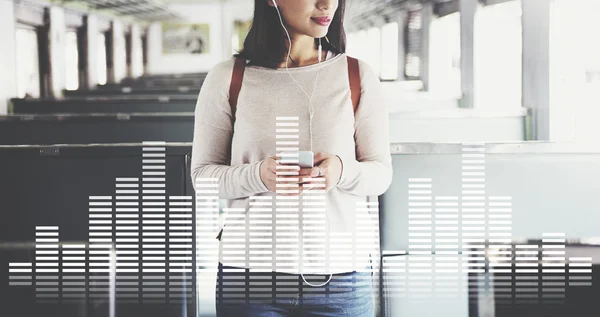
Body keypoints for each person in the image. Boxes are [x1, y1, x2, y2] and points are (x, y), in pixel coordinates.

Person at [190, 0, 392, 316]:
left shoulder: (356, 75)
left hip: (341, 278)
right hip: (248, 278)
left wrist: (340, 171)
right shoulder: (228, 78)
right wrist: (258, 175)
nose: (327, 4)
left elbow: (381, 174)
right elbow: (202, 177)